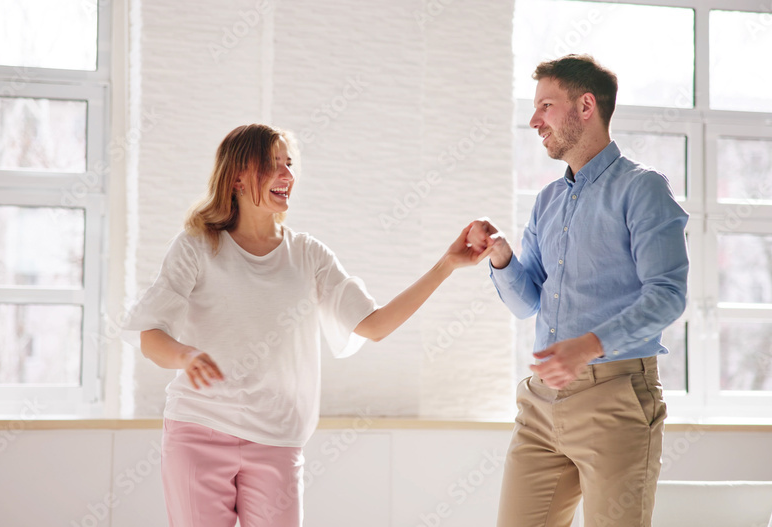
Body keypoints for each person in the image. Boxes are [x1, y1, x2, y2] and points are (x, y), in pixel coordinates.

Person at [123, 123, 491, 527]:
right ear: (237, 177)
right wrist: (185, 354)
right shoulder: (197, 245)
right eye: (272, 164)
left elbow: (374, 324)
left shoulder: (308, 255)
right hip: (199, 432)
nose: (287, 175)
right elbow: (151, 335)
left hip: (277, 439)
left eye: (289, 163)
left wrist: (447, 265)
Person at [467, 54, 689, 527]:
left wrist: (588, 346)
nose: (534, 120)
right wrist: (502, 257)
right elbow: (528, 303)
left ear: (586, 106)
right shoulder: (547, 201)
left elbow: (668, 294)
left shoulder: (642, 188)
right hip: (540, 404)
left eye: (545, 106)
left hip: (615, 399)